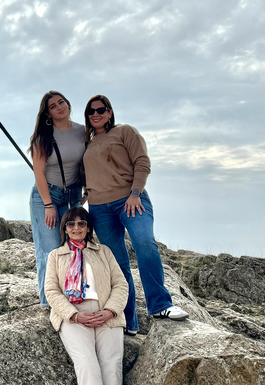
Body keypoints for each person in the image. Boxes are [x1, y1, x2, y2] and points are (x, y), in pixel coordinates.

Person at [81, 94, 188, 334]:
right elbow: (87, 171)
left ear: (109, 112)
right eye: (91, 111)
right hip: (99, 208)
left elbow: (142, 162)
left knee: (144, 244)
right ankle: (128, 320)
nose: (96, 114)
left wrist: (136, 192)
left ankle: (161, 305)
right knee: (118, 264)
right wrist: (85, 191)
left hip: (131, 201)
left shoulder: (125, 132)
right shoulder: (87, 143)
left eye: (101, 109)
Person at [44, 207, 129, 385]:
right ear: (65, 228)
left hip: (106, 314)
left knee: (111, 367)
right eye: (71, 224)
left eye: (82, 223)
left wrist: (110, 311)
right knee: (87, 364)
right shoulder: (56, 256)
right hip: (74, 317)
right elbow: (51, 290)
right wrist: (74, 315)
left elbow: (121, 284)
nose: (77, 228)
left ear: (88, 227)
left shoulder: (103, 252)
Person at [29, 91, 86, 308]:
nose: (59, 107)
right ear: (48, 114)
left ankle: (74, 295)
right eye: (53, 106)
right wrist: (48, 205)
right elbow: (39, 174)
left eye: (61, 102)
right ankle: (49, 303)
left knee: (75, 246)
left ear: (68, 104)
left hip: (73, 196)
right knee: (50, 250)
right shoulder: (42, 138)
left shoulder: (82, 132)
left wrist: (88, 190)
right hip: (47, 196)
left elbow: (89, 161)